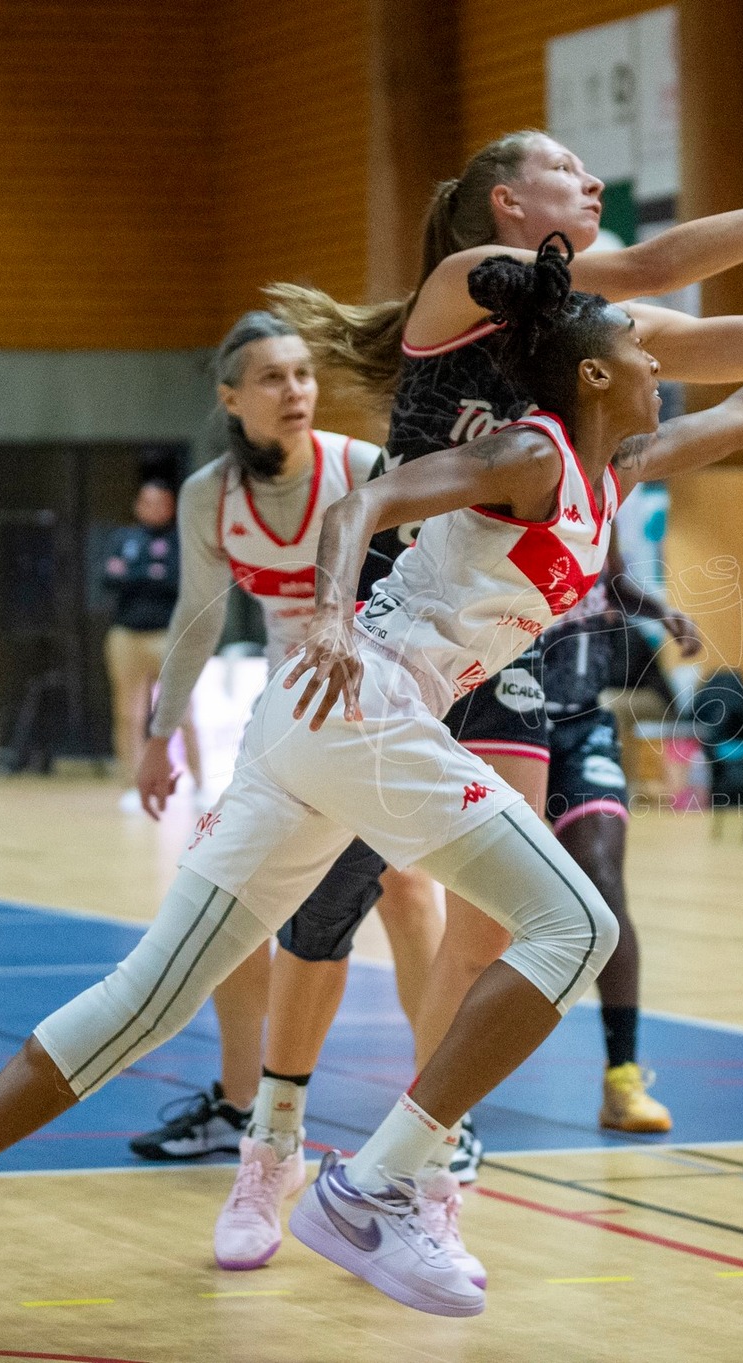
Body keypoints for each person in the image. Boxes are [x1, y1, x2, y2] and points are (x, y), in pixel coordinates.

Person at [0, 241, 743, 1355]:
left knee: (151, 996)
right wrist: (338, 618)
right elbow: (369, 503)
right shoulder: (528, 455)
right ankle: (382, 1181)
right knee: (575, 925)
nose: (656, 358)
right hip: (364, 699)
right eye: (639, 343)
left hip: (315, 726)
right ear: (593, 374)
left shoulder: (612, 471)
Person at [272, 117, 743, 1182]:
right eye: (564, 168)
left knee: (492, 928)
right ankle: (271, 1130)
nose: (592, 179)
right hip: (382, 634)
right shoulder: (469, 281)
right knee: (323, 902)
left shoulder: (594, 341)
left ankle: (418, 1149)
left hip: (492, 659)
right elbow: (658, 265)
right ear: (508, 204)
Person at [122, 311, 443, 1275]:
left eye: (304, 373)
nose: (296, 389)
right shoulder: (210, 497)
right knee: (237, 898)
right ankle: (236, 1104)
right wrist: (158, 735)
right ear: (231, 397)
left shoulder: (360, 466)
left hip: (379, 712)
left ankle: (440, 1113)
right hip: (283, 720)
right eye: (272, 376)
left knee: (408, 890)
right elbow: (195, 618)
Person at [540, 537, 703, 1132]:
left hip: (582, 724)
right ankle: (444, 1095)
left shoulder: (600, 499)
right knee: (482, 918)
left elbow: (612, 580)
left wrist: (660, 612)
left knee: (605, 885)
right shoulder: (501, 487)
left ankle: (622, 1078)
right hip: (501, 721)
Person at [103, 479, 200, 810]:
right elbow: (108, 578)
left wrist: (134, 574)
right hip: (125, 634)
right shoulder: (123, 538)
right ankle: (132, 784)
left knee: (182, 712)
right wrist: (150, 574)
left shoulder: (180, 540)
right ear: (137, 506)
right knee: (128, 714)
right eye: (146, 502)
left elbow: (178, 582)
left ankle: (199, 783)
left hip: (167, 635)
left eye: (160, 502)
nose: (153, 508)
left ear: (170, 507)